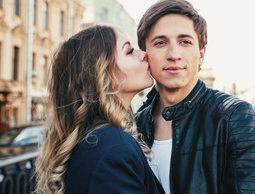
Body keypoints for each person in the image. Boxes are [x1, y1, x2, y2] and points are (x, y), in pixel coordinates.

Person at [135, 0, 255, 193]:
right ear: (145, 55)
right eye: (160, 42)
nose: (174, 54)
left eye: (185, 42)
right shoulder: (135, 125)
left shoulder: (235, 117)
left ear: (201, 55)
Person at [35, 25, 165, 194]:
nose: (143, 54)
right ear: (103, 74)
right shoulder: (115, 147)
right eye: (130, 51)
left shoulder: (94, 138)